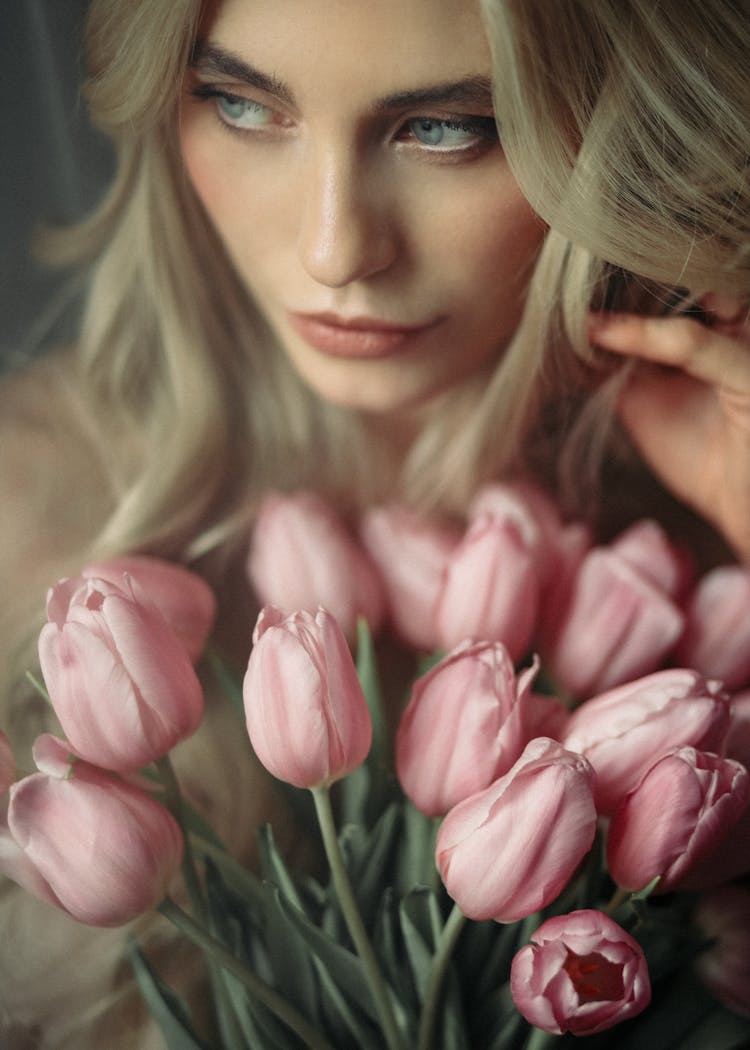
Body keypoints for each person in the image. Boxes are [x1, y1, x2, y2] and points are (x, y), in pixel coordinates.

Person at [0, 0, 748, 1045]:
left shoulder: (712, 542)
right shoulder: (25, 535)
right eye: (239, 103)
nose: (335, 249)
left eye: (446, 128)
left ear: (618, 137)